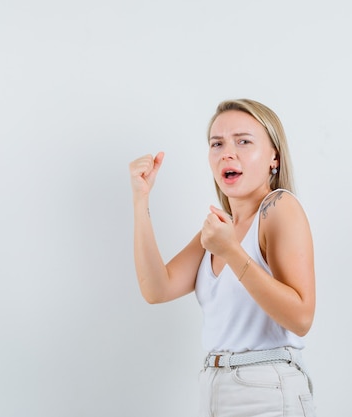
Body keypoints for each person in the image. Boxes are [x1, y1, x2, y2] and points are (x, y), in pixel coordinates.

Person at [129, 98, 316, 417]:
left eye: (243, 141)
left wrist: (231, 250)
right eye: (217, 143)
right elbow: (156, 289)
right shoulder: (220, 228)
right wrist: (140, 199)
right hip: (215, 387)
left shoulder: (279, 208)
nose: (227, 152)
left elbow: (300, 318)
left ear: (274, 157)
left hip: (266, 390)